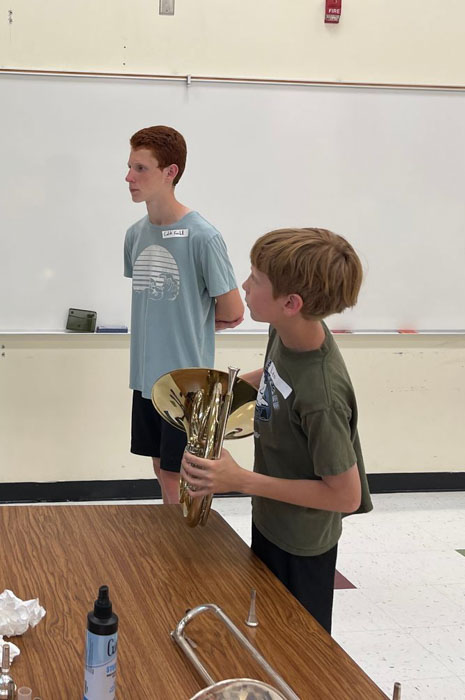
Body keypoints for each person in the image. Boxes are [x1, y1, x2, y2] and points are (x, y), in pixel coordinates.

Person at [181, 228, 372, 634]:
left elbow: (346, 495)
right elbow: (272, 377)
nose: (244, 287)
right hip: (271, 518)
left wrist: (240, 480)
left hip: (302, 544)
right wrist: (221, 393)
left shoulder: (322, 394)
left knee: (301, 647)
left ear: (291, 302)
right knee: (264, 626)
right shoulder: (285, 333)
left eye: (255, 279)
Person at [123, 125, 244, 505]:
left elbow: (233, 311)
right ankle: (170, 543)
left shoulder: (203, 236)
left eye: (141, 169)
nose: (129, 178)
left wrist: (191, 326)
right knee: (162, 467)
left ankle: (183, 553)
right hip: (145, 375)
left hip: (185, 382)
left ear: (169, 172)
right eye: (129, 167)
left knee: (181, 473)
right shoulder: (135, 235)